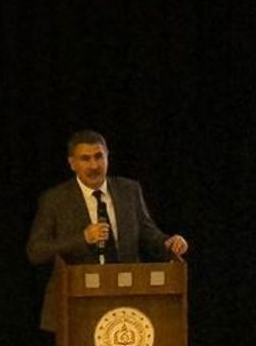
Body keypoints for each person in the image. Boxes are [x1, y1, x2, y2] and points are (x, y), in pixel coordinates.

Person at [26, 130, 189, 331]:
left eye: (99, 157)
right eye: (85, 159)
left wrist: (169, 243)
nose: (94, 165)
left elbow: (149, 234)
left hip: (127, 295)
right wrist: (83, 238)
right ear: (72, 163)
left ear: (107, 156)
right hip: (77, 300)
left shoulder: (129, 190)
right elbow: (36, 251)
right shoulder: (55, 200)